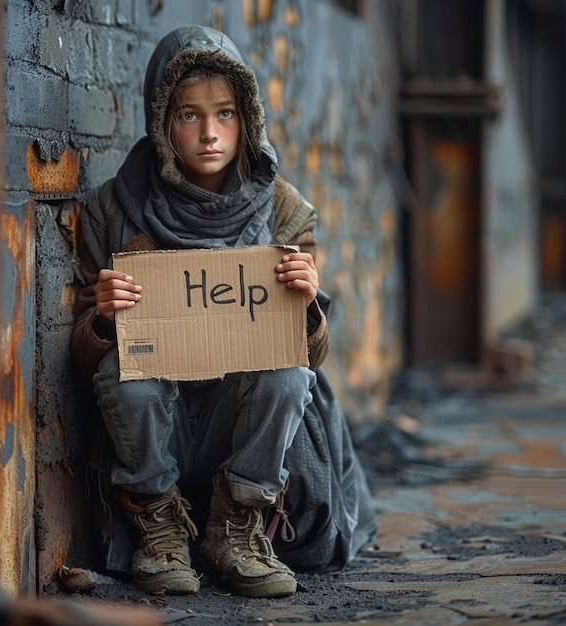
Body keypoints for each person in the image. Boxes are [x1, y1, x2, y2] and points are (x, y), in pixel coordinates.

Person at [71, 25, 377, 599]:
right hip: (155, 433)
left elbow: (312, 359)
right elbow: (85, 364)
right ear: (161, 121)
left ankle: (237, 529)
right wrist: (105, 319)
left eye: (226, 114)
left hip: (239, 428)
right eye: (188, 115)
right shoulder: (112, 209)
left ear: (248, 119)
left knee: (289, 373)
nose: (210, 134)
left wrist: (308, 306)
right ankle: (158, 530)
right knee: (122, 374)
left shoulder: (283, 209)